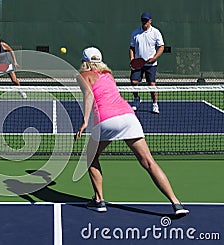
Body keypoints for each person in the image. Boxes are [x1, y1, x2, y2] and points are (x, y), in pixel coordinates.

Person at [75, 47, 189, 215]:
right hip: (129, 117)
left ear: (84, 62)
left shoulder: (81, 76)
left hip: (106, 120)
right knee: (149, 162)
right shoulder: (108, 75)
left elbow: (89, 95)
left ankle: (99, 200)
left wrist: (85, 121)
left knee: (90, 157)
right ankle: (176, 203)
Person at [129, 12, 165, 114]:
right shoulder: (135, 33)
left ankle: (155, 104)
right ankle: (136, 99)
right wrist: (132, 59)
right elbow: (131, 48)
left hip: (151, 65)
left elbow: (161, 46)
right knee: (134, 82)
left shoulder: (156, 32)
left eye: (146, 20)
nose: (144, 22)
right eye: (143, 20)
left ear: (150, 21)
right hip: (138, 64)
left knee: (152, 84)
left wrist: (154, 58)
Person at [0, 31, 27, 101]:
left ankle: (21, 91)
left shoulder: (3, 45)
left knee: (15, 81)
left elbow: (11, 50)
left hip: (7, 65)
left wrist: (15, 62)